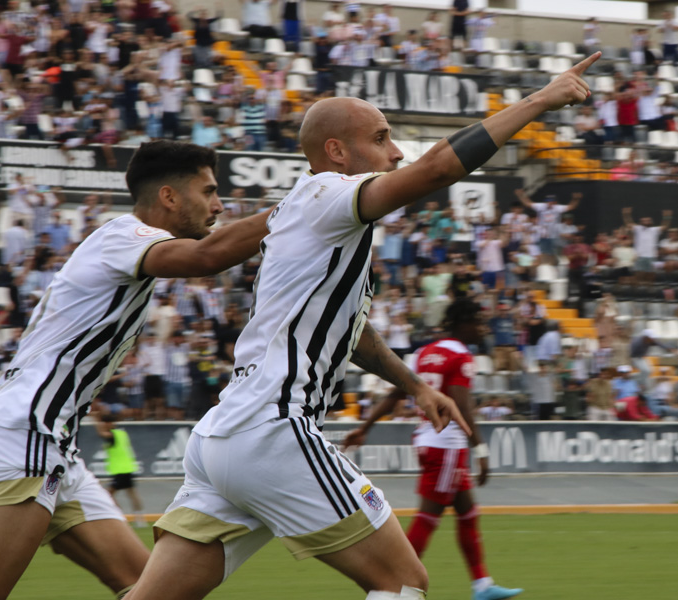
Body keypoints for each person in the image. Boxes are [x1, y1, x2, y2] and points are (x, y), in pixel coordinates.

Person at [127, 53, 599, 600]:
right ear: (337, 152)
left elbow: (352, 333)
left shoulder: (313, 216)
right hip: (273, 430)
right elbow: (438, 168)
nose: (395, 150)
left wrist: (416, 386)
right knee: (402, 582)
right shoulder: (329, 195)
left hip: (220, 438)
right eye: (381, 137)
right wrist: (539, 100)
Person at [0, 141, 272, 600]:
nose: (219, 205)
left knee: (150, 590)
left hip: (53, 444)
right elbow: (206, 258)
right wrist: (306, 207)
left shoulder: (128, 246)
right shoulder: (122, 236)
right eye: (208, 191)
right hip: (24, 434)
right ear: (169, 197)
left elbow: (211, 249)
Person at [344, 299, 522, 600]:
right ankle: (391, 585)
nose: (481, 328)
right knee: (428, 519)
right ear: (462, 323)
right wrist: (480, 449)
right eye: (477, 322)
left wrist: (365, 427)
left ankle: (482, 585)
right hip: (447, 445)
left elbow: (395, 393)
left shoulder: (424, 353)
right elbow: (462, 405)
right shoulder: (462, 356)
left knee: (468, 513)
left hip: (428, 442)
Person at [94, 413, 145, 527]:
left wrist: (95, 419)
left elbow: (101, 433)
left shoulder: (112, 435)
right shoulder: (121, 433)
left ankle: (121, 517)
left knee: (108, 494)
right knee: (132, 493)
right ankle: (140, 519)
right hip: (127, 467)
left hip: (120, 470)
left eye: (105, 423)